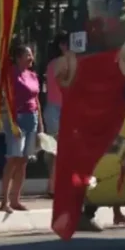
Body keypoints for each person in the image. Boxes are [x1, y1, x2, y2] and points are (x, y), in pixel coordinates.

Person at [0, 44, 42, 213]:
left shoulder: (32, 75)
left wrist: (40, 123)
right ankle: (4, 202)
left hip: (31, 118)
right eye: (27, 55)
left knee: (24, 161)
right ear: (18, 58)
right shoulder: (11, 74)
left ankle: (16, 200)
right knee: (13, 159)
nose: (31, 58)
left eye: (31, 55)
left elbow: (36, 99)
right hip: (16, 119)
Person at [44, 33, 70, 197]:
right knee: (57, 150)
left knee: (60, 150)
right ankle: (53, 186)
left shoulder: (63, 63)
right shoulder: (57, 64)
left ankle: (55, 185)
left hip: (61, 109)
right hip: (56, 109)